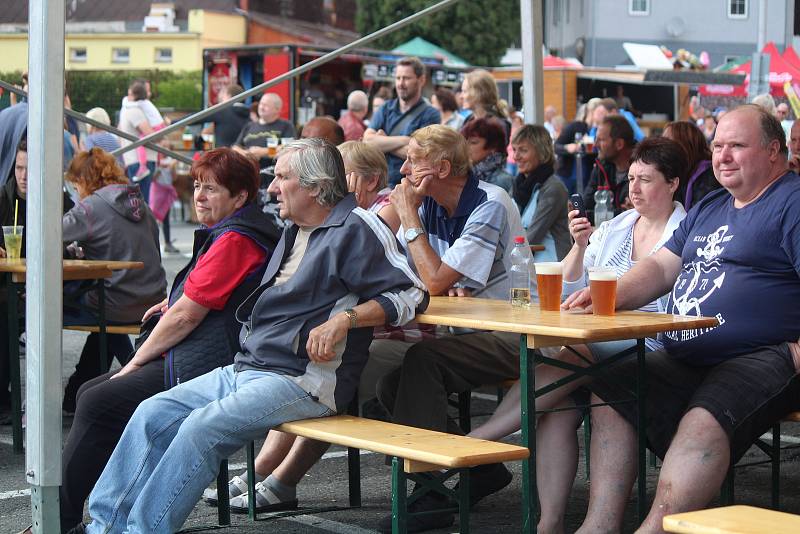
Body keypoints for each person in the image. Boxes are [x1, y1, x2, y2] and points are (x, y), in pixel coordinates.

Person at [80, 138, 427, 534]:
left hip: (301, 378)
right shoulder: (294, 228)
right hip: (251, 366)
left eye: (281, 178)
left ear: (314, 186)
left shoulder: (357, 227)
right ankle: (103, 527)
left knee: (199, 430)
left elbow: (412, 295)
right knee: (151, 413)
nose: (272, 188)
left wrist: (345, 319)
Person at [212, 125, 524, 524]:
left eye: (412, 159)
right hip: (458, 332)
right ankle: (475, 467)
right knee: (367, 372)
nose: (404, 167)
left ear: (442, 168)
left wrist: (410, 218)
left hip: (514, 335)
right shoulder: (426, 201)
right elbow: (387, 255)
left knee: (406, 363)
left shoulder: (488, 202)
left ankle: (430, 488)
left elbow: (430, 282)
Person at [564, 104, 800, 533]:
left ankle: (653, 529)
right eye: (718, 146)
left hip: (762, 355)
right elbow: (659, 268)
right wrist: (606, 296)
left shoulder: (793, 202)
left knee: (703, 418)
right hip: (686, 349)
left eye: (737, 146)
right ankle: (600, 524)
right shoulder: (712, 205)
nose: (723, 156)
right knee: (614, 383)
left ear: (773, 150)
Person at [467, 137, 688, 534]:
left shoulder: (684, 231)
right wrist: (579, 245)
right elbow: (570, 291)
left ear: (672, 184)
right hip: (600, 342)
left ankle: (480, 439)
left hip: (656, 343)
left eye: (646, 180)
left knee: (568, 354)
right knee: (558, 404)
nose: (633, 189)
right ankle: (548, 524)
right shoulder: (617, 226)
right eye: (631, 178)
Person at [56, 148, 280, 534]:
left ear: (240, 197)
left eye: (211, 188)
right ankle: (90, 516)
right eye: (196, 186)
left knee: (98, 398)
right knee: (93, 394)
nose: (198, 195)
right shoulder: (235, 231)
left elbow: (185, 316)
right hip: (204, 349)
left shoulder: (236, 239)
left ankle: (64, 521)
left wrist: (133, 362)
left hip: (211, 361)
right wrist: (173, 300)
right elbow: (195, 300)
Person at [60, 148, 167, 413]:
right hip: (153, 298)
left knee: (50, 309)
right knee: (102, 326)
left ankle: (128, 374)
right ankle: (76, 392)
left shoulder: (89, 208)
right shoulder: (140, 204)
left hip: (115, 302)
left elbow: (49, 232)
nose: (75, 192)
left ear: (83, 181)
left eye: (74, 185)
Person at [0, 138, 74, 422]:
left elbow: (75, 241)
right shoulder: (4, 200)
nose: (23, 175)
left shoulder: (58, 201)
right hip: (8, 288)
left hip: (51, 288)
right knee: (5, 313)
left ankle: (70, 394)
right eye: (19, 167)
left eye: (29, 169)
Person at [364, 56, 441, 186]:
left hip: (410, 186)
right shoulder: (385, 108)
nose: (400, 83)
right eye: (398, 78)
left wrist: (384, 142)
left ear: (421, 80)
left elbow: (423, 156)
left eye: (406, 78)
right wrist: (406, 140)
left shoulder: (431, 114)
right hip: (379, 185)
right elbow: (368, 141)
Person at [512, 124, 571, 261]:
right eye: (514, 150)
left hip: (553, 268)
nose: (516, 156)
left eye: (523, 150)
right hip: (526, 265)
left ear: (541, 152)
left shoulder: (553, 188)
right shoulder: (516, 186)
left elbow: (532, 237)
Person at [582, 115, 635, 223]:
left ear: (619, 144)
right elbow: (585, 206)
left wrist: (591, 215)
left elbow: (630, 216)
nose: (595, 144)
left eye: (601, 140)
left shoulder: (642, 168)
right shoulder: (601, 166)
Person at [339, 140, 400, 232]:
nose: (336, 184)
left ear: (371, 181)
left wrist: (353, 210)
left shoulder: (389, 208)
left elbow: (361, 244)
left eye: (343, 177)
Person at [663, 120, 722, 210]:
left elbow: (700, 216)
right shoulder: (679, 172)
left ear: (685, 144)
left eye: (667, 141)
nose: (662, 146)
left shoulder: (709, 175)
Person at [234, 93, 297, 169]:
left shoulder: (286, 126)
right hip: (248, 172)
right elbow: (235, 147)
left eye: (266, 105)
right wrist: (247, 154)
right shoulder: (249, 125)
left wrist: (263, 152)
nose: (261, 107)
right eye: (261, 104)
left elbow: (288, 148)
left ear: (277, 109)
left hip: (273, 173)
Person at [461, 116, 514, 194]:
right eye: (465, 142)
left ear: (493, 146)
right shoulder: (466, 174)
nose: (466, 147)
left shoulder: (502, 180)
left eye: (473, 142)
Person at [460, 69, 511, 140]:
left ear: (478, 94)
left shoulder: (497, 125)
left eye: (464, 91)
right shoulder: (468, 120)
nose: (461, 96)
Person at [200, 83, 251, 148]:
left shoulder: (223, 111)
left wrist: (183, 119)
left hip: (223, 155)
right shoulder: (251, 115)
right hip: (242, 156)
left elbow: (195, 118)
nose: (220, 99)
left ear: (229, 96)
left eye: (222, 97)